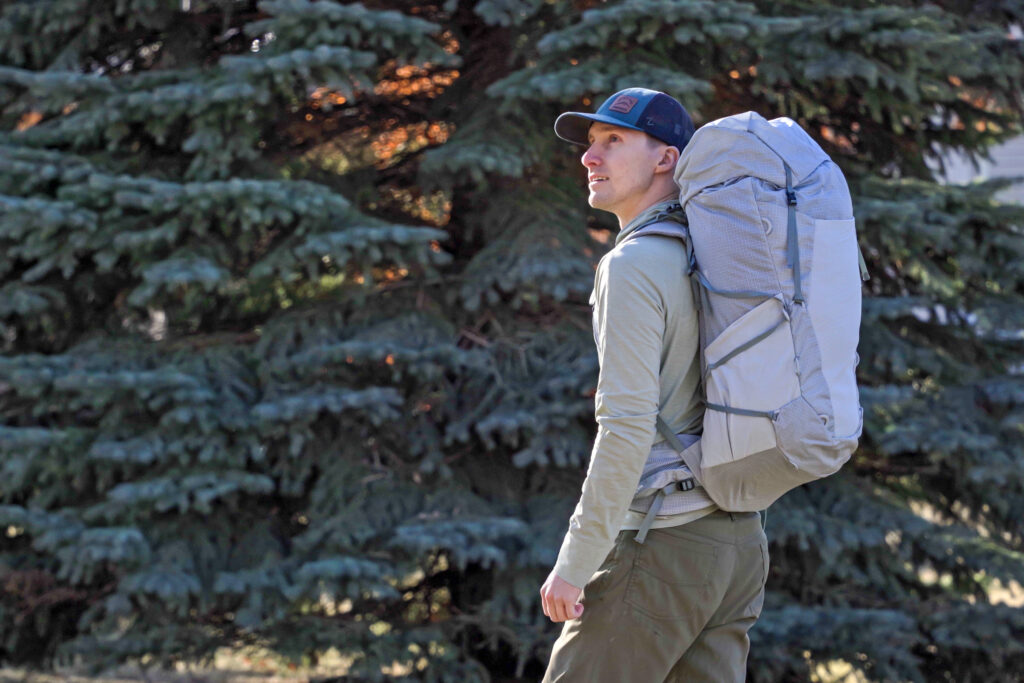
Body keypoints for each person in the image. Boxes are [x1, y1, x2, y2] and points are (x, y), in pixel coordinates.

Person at [540, 88, 770, 682]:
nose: (590, 158)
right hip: (738, 544)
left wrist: (576, 562)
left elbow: (626, 428)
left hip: (661, 545)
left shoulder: (635, 266)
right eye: (591, 144)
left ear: (666, 159)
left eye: (612, 141)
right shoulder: (715, 253)